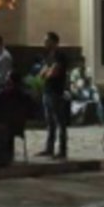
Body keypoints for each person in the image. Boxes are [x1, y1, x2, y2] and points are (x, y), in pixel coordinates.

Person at [36, 32, 69, 160]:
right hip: (47, 91)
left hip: (56, 93)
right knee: (50, 122)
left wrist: (48, 71)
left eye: (47, 40)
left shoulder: (60, 56)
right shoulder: (49, 56)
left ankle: (62, 150)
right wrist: (48, 71)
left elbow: (53, 73)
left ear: (54, 42)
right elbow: (41, 74)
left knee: (60, 122)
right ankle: (49, 148)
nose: (44, 42)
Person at [0, 70, 32, 161]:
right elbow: (31, 110)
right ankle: (8, 154)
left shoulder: (3, 94)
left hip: (4, 125)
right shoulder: (25, 95)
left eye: (7, 77)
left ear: (10, 80)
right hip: (19, 126)